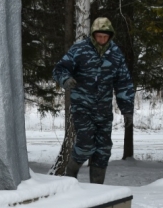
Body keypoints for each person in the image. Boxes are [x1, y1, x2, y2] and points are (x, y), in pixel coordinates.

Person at [53, 17, 135, 184]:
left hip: (103, 109)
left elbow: (124, 82)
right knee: (85, 145)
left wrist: (127, 109)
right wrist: (66, 79)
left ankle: (97, 189)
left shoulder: (115, 54)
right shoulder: (80, 49)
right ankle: (69, 179)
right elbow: (59, 68)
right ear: (93, 35)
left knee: (103, 150)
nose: (102, 40)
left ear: (110, 36)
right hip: (82, 107)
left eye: (105, 37)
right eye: (99, 36)